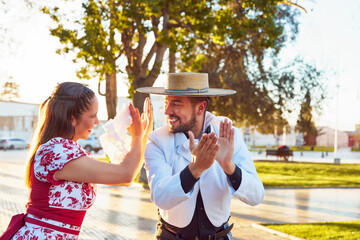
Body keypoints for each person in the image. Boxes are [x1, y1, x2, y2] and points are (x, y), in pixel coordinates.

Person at [3, 82, 152, 240]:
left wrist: (142, 136)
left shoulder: (69, 152)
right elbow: (125, 174)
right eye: (92, 116)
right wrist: (136, 137)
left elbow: (124, 179)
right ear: (72, 118)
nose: (96, 123)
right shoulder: (56, 152)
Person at [137, 72, 264, 240]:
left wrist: (229, 167)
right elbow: (160, 197)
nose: (167, 111)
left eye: (176, 104)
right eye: (166, 103)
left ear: (201, 107)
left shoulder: (228, 136)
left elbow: (256, 196)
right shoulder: (157, 141)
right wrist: (194, 169)